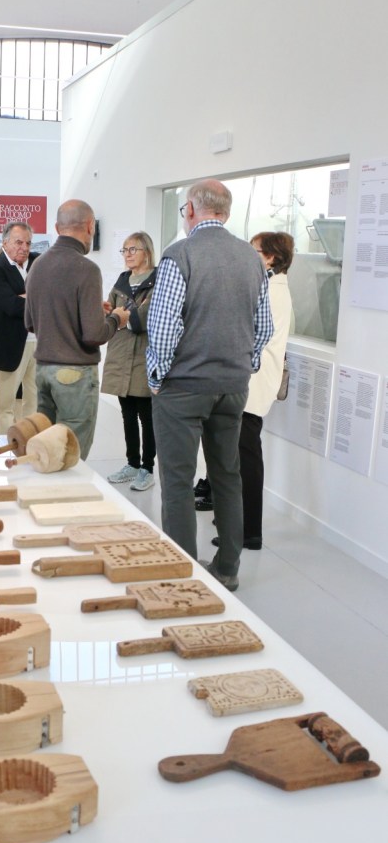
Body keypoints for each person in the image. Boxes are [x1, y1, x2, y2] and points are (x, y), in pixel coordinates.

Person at [146, 179, 273, 592]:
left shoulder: (180, 254)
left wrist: (156, 377)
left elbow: (163, 328)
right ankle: (228, 568)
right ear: (227, 213)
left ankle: (183, 577)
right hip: (232, 387)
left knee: (178, 482)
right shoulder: (251, 258)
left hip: (184, 387)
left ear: (190, 210)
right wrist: (245, 366)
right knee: (227, 476)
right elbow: (264, 327)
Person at [24, 199, 129, 459]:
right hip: (74, 374)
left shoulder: (38, 265)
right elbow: (93, 335)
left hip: (43, 370)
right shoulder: (87, 269)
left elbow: (30, 322)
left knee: (46, 452)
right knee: (72, 454)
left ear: (57, 227)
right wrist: (116, 319)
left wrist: (88, 311)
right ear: (90, 226)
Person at [210, 231, 294, 551]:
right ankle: (237, 520)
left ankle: (248, 532)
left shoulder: (273, 290)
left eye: (254, 250)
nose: (247, 255)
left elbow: (253, 333)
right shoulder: (270, 286)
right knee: (238, 454)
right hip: (250, 380)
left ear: (271, 257)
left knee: (245, 457)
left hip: (253, 382)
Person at [102, 232, 158, 492]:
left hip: (145, 355)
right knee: (127, 414)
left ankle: (147, 468)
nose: (127, 254)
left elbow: (147, 318)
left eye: (133, 249)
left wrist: (124, 317)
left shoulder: (158, 280)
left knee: (147, 416)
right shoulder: (122, 281)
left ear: (147, 251)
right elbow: (112, 316)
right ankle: (132, 464)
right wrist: (112, 314)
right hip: (121, 354)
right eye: (124, 250)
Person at [0, 221, 38, 433]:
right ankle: (5, 446)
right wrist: (37, 298)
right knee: (6, 405)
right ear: (5, 243)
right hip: (9, 344)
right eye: (18, 242)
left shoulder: (37, 262)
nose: (24, 248)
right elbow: (12, 306)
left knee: (33, 402)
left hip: (38, 343)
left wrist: (24, 297)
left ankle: (29, 443)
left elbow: (52, 294)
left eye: (28, 243)